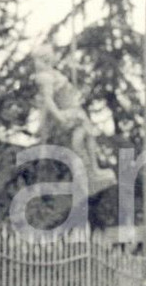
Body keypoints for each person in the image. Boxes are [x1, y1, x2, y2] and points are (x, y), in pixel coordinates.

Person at [32, 45, 116, 194]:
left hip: (70, 110)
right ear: (46, 58)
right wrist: (59, 117)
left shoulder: (52, 73)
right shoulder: (45, 77)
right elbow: (48, 101)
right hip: (64, 114)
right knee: (84, 129)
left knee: (84, 135)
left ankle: (91, 171)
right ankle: (91, 171)